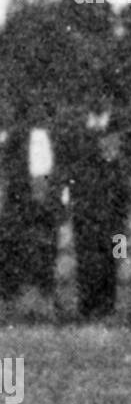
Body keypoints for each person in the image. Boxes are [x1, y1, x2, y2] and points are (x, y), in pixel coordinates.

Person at [63, 86, 131, 320]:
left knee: (115, 251)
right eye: (90, 93)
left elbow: (125, 163)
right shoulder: (77, 128)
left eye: (101, 92)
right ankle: (86, 306)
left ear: (108, 97)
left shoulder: (120, 125)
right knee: (85, 253)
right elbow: (69, 163)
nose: (95, 98)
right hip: (85, 201)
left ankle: (108, 305)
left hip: (114, 203)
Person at [0, 93, 65, 316]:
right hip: (22, 206)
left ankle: (44, 302)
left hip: (41, 207)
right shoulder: (17, 138)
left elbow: (51, 175)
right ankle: (17, 303)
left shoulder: (47, 138)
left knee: (117, 247)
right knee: (16, 254)